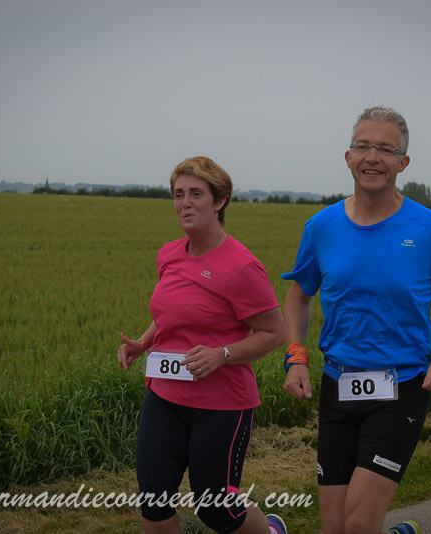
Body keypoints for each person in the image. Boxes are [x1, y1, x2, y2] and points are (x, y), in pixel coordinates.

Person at [281, 107, 431, 534]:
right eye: (363, 146)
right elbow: (298, 297)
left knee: (358, 522)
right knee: (335, 529)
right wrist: (296, 357)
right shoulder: (321, 226)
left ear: (403, 162)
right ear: (348, 157)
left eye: (386, 149)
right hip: (337, 386)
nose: (372, 157)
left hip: (402, 389)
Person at [118, 156, 289, 534]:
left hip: (221, 406)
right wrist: (143, 343)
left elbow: (274, 333)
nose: (185, 203)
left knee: (215, 509)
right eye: (178, 194)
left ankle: (271, 531)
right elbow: (172, 314)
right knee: (153, 503)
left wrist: (222, 355)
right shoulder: (169, 253)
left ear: (220, 201)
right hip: (165, 396)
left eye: (196, 194)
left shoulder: (242, 266)